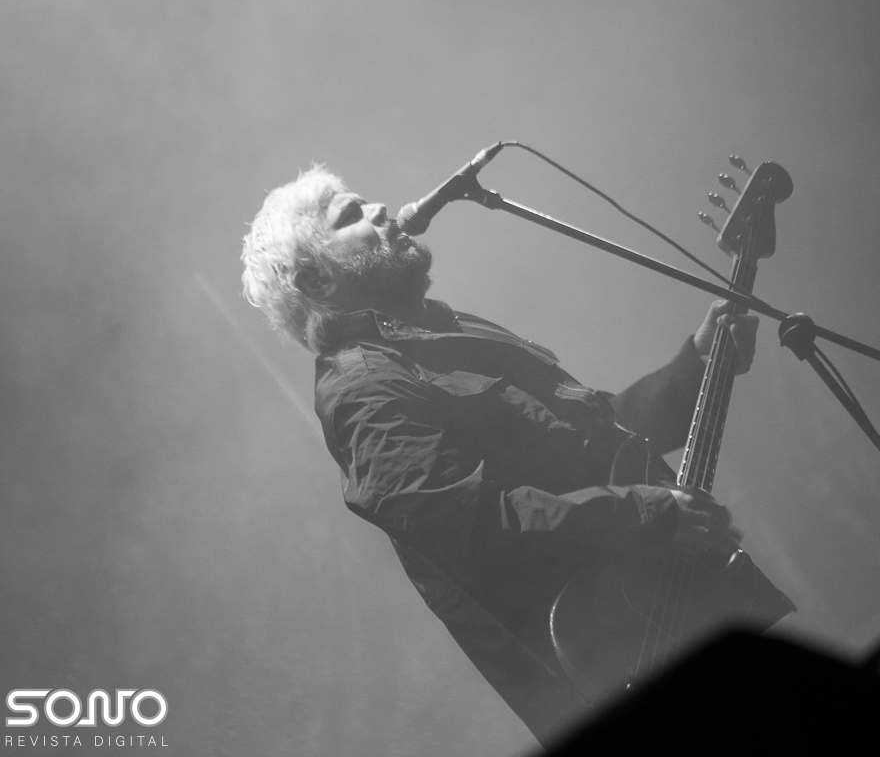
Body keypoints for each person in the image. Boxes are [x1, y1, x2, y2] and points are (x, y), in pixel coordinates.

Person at [241, 165, 793, 749]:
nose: (380, 209)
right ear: (316, 279)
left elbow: (595, 437)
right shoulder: (364, 390)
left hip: (668, 609)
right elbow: (474, 527)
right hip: (619, 656)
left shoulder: (444, 331)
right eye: (351, 216)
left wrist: (695, 368)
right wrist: (649, 511)